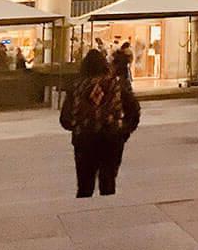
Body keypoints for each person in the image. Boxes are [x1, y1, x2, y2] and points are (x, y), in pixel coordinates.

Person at [60, 49, 140, 197]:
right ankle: (106, 213)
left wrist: (80, 125)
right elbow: (134, 109)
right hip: (112, 137)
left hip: (85, 138)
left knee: (85, 185)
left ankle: (83, 215)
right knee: (108, 181)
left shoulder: (77, 86)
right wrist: (124, 130)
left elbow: (65, 118)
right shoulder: (117, 85)